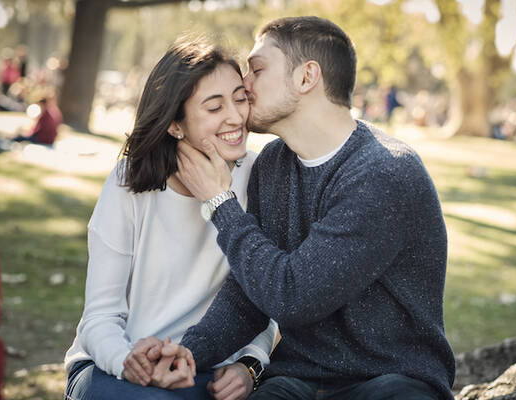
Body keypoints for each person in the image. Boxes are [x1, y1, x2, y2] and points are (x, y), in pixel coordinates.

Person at [173, 16, 455, 400]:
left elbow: (292, 297)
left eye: (257, 70)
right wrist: (187, 355)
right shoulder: (272, 164)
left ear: (306, 77)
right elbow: (250, 296)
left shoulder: (384, 172)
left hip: (390, 381)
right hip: (296, 381)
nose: (244, 84)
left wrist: (221, 203)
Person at [64, 37, 278, 400]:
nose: (236, 117)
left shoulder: (259, 175)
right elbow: (100, 317)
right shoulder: (128, 183)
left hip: (209, 371)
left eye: (240, 98)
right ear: (175, 124)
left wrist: (250, 364)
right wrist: (128, 362)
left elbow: (267, 291)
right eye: (215, 107)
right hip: (115, 366)